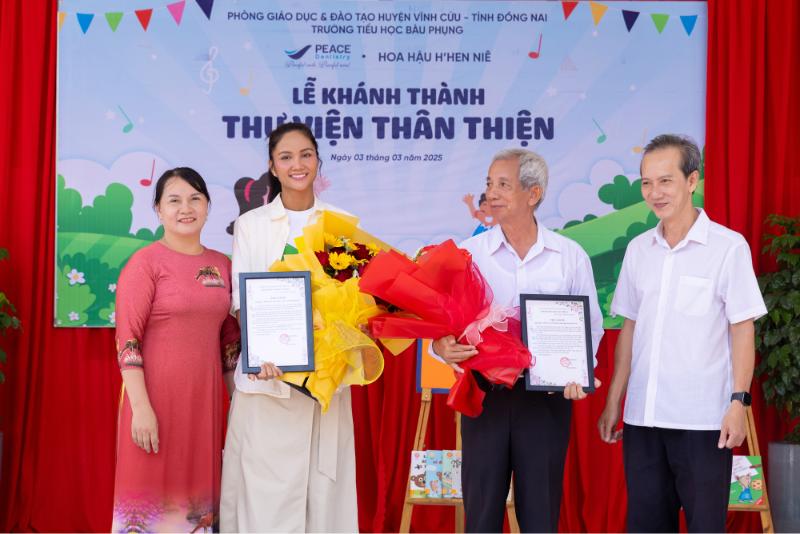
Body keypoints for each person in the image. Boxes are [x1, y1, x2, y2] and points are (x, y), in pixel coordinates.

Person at [597, 134, 767, 532]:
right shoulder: (639, 250)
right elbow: (629, 329)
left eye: (666, 180)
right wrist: (613, 402)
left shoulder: (728, 247)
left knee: (705, 526)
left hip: (703, 421)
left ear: (692, 181)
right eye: (646, 182)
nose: (655, 192)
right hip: (643, 418)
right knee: (645, 525)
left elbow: (743, 329)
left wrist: (738, 402)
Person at [433, 148, 604, 532]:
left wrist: (580, 374)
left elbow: (590, 326)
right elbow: (443, 320)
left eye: (503, 185)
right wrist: (440, 346)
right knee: (481, 514)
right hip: (485, 398)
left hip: (547, 402)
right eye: (489, 184)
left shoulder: (569, 256)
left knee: (541, 514)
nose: (491, 194)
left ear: (533, 193)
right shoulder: (468, 253)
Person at [220, 122, 358, 532]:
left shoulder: (341, 222)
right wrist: (263, 352)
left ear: (318, 160)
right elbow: (244, 302)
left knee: (323, 497)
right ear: (272, 167)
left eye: (305, 155)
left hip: (324, 384)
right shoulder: (252, 225)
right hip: (269, 381)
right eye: (286, 157)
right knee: (265, 498)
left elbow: (352, 301)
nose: (297, 165)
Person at [112, 167, 240, 532]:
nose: (186, 208)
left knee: (197, 505)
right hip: (153, 404)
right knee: (149, 502)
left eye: (195, 198)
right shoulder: (144, 264)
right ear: (158, 210)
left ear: (208, 206)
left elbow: (229, 344)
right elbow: (128, 341)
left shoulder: (221, 265)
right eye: (175, 200)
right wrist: (141, 408)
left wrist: (238, 407)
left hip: (204, 407)